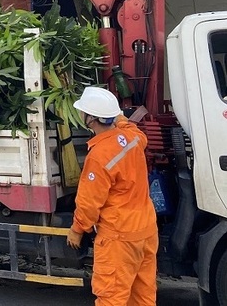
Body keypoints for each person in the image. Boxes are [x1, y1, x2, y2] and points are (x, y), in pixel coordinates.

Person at [67, 86, 158, 305]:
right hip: (145, 230)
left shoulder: (99, 156)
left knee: (112, 297)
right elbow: (138, 133)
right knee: (143, 295)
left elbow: (89, 203)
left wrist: (77, 230)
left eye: (83, 112)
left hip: (119, 237)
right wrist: (120, 118)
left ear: (91, 119)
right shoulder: (132, 138)